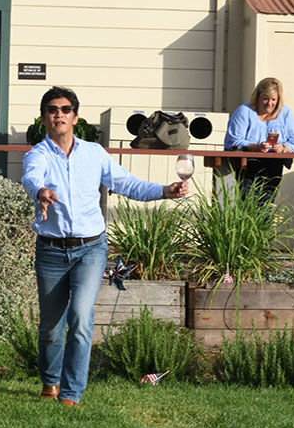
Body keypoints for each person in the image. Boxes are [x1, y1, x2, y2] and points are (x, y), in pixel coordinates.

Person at [21, 86, 188, 407]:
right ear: (44, 118)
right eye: (53, 109)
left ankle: (71, 394)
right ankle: (50, 381)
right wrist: (40, 191)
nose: (59, 114)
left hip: (90, 249)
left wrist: (165, 191)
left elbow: (127, 184)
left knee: (81, 319)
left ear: (75, 117)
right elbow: (31, 177)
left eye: (65, 109)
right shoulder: (38, 154)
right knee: (51, 329)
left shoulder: (94, 153)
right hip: (51, 251)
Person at [224, 76, 294, 199]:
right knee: (247, 202)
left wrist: (283, 148)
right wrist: (255, 147)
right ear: (257, 97)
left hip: (274, 167)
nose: (269, 103)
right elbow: (232, 141)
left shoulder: (286, 114)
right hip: (247, 167)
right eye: (265, 99)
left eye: (273, 99)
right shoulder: (244, 111)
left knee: (266, 206)